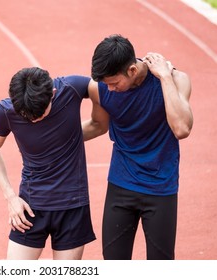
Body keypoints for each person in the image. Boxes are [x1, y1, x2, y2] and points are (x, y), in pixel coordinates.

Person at [82, 34, 193, 259]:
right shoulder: (100, 88)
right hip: (121, 184)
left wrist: (164, 77)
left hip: (160, 188)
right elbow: (97, 125)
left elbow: (181, 128)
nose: (109, 89)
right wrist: (53, 137)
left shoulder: (176, 79)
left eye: (114, 83)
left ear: (132, 70)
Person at [0, 67, 107, 259]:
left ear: (53, 95)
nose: (33, 119)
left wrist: (93, 124)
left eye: (40, 114)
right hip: (30, 206)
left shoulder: (71, 88)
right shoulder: (6, 111)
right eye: (27, 115)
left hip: (72, 206)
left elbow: (100, 86)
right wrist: (10, 197)